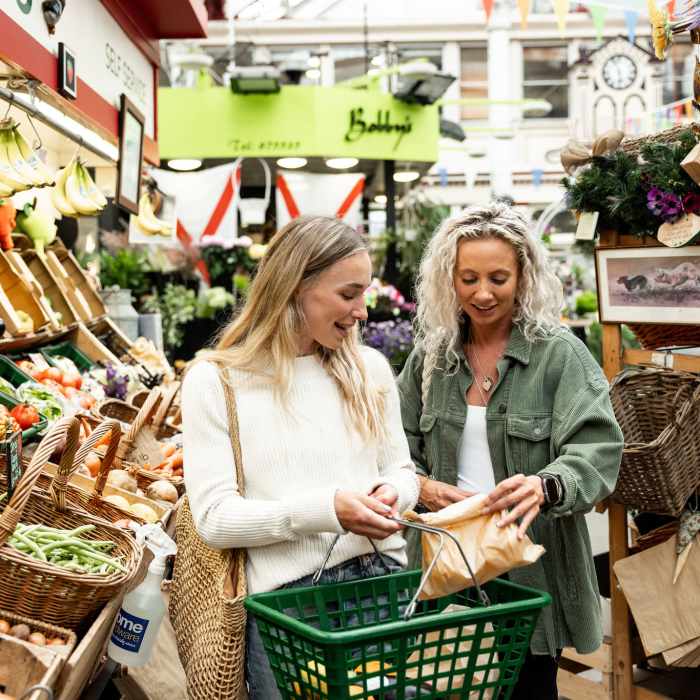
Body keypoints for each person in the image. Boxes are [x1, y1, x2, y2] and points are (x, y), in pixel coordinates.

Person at [182, 216, 419, 699]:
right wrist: (327, 511)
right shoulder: (216, 381)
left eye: (364, 293)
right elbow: (213, 518)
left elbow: (401, 469)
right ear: (296, 286)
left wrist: (392, 493)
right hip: (288, 610)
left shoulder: (369, 370)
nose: (361, 311)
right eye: (348, 294)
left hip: (381, 590)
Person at [397, 202, 623, 700]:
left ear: (523, 277)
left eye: (498, 277)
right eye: (468, 278)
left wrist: (545, 485)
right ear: (449, 280)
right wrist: (420, 485)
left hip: (529, 565)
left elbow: (598, 448)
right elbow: (393, 444)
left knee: (527, 688)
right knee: (439, 686)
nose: (482, 293)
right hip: (445, 564)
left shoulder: (558, 355)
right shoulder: (432, 360)